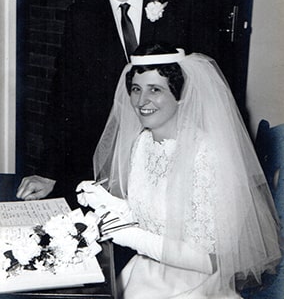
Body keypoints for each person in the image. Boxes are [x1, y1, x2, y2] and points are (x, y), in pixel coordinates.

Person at [16, 0, 197, 205]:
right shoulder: (80, 17)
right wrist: (48, 172)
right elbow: (63, 99)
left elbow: (204, 93)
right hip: (106, 173)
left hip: (175, 167)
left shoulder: (183, 5)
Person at [76, 42, 281, 298]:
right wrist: (109, 205)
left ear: (181, 95)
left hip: (194, 284)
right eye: (136, 89)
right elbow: (152, 215)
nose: (141, 101)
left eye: (156, 90)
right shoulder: (143, 142)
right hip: (147, 270)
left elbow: (212, 260)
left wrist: (130, 237)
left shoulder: (206, 154)